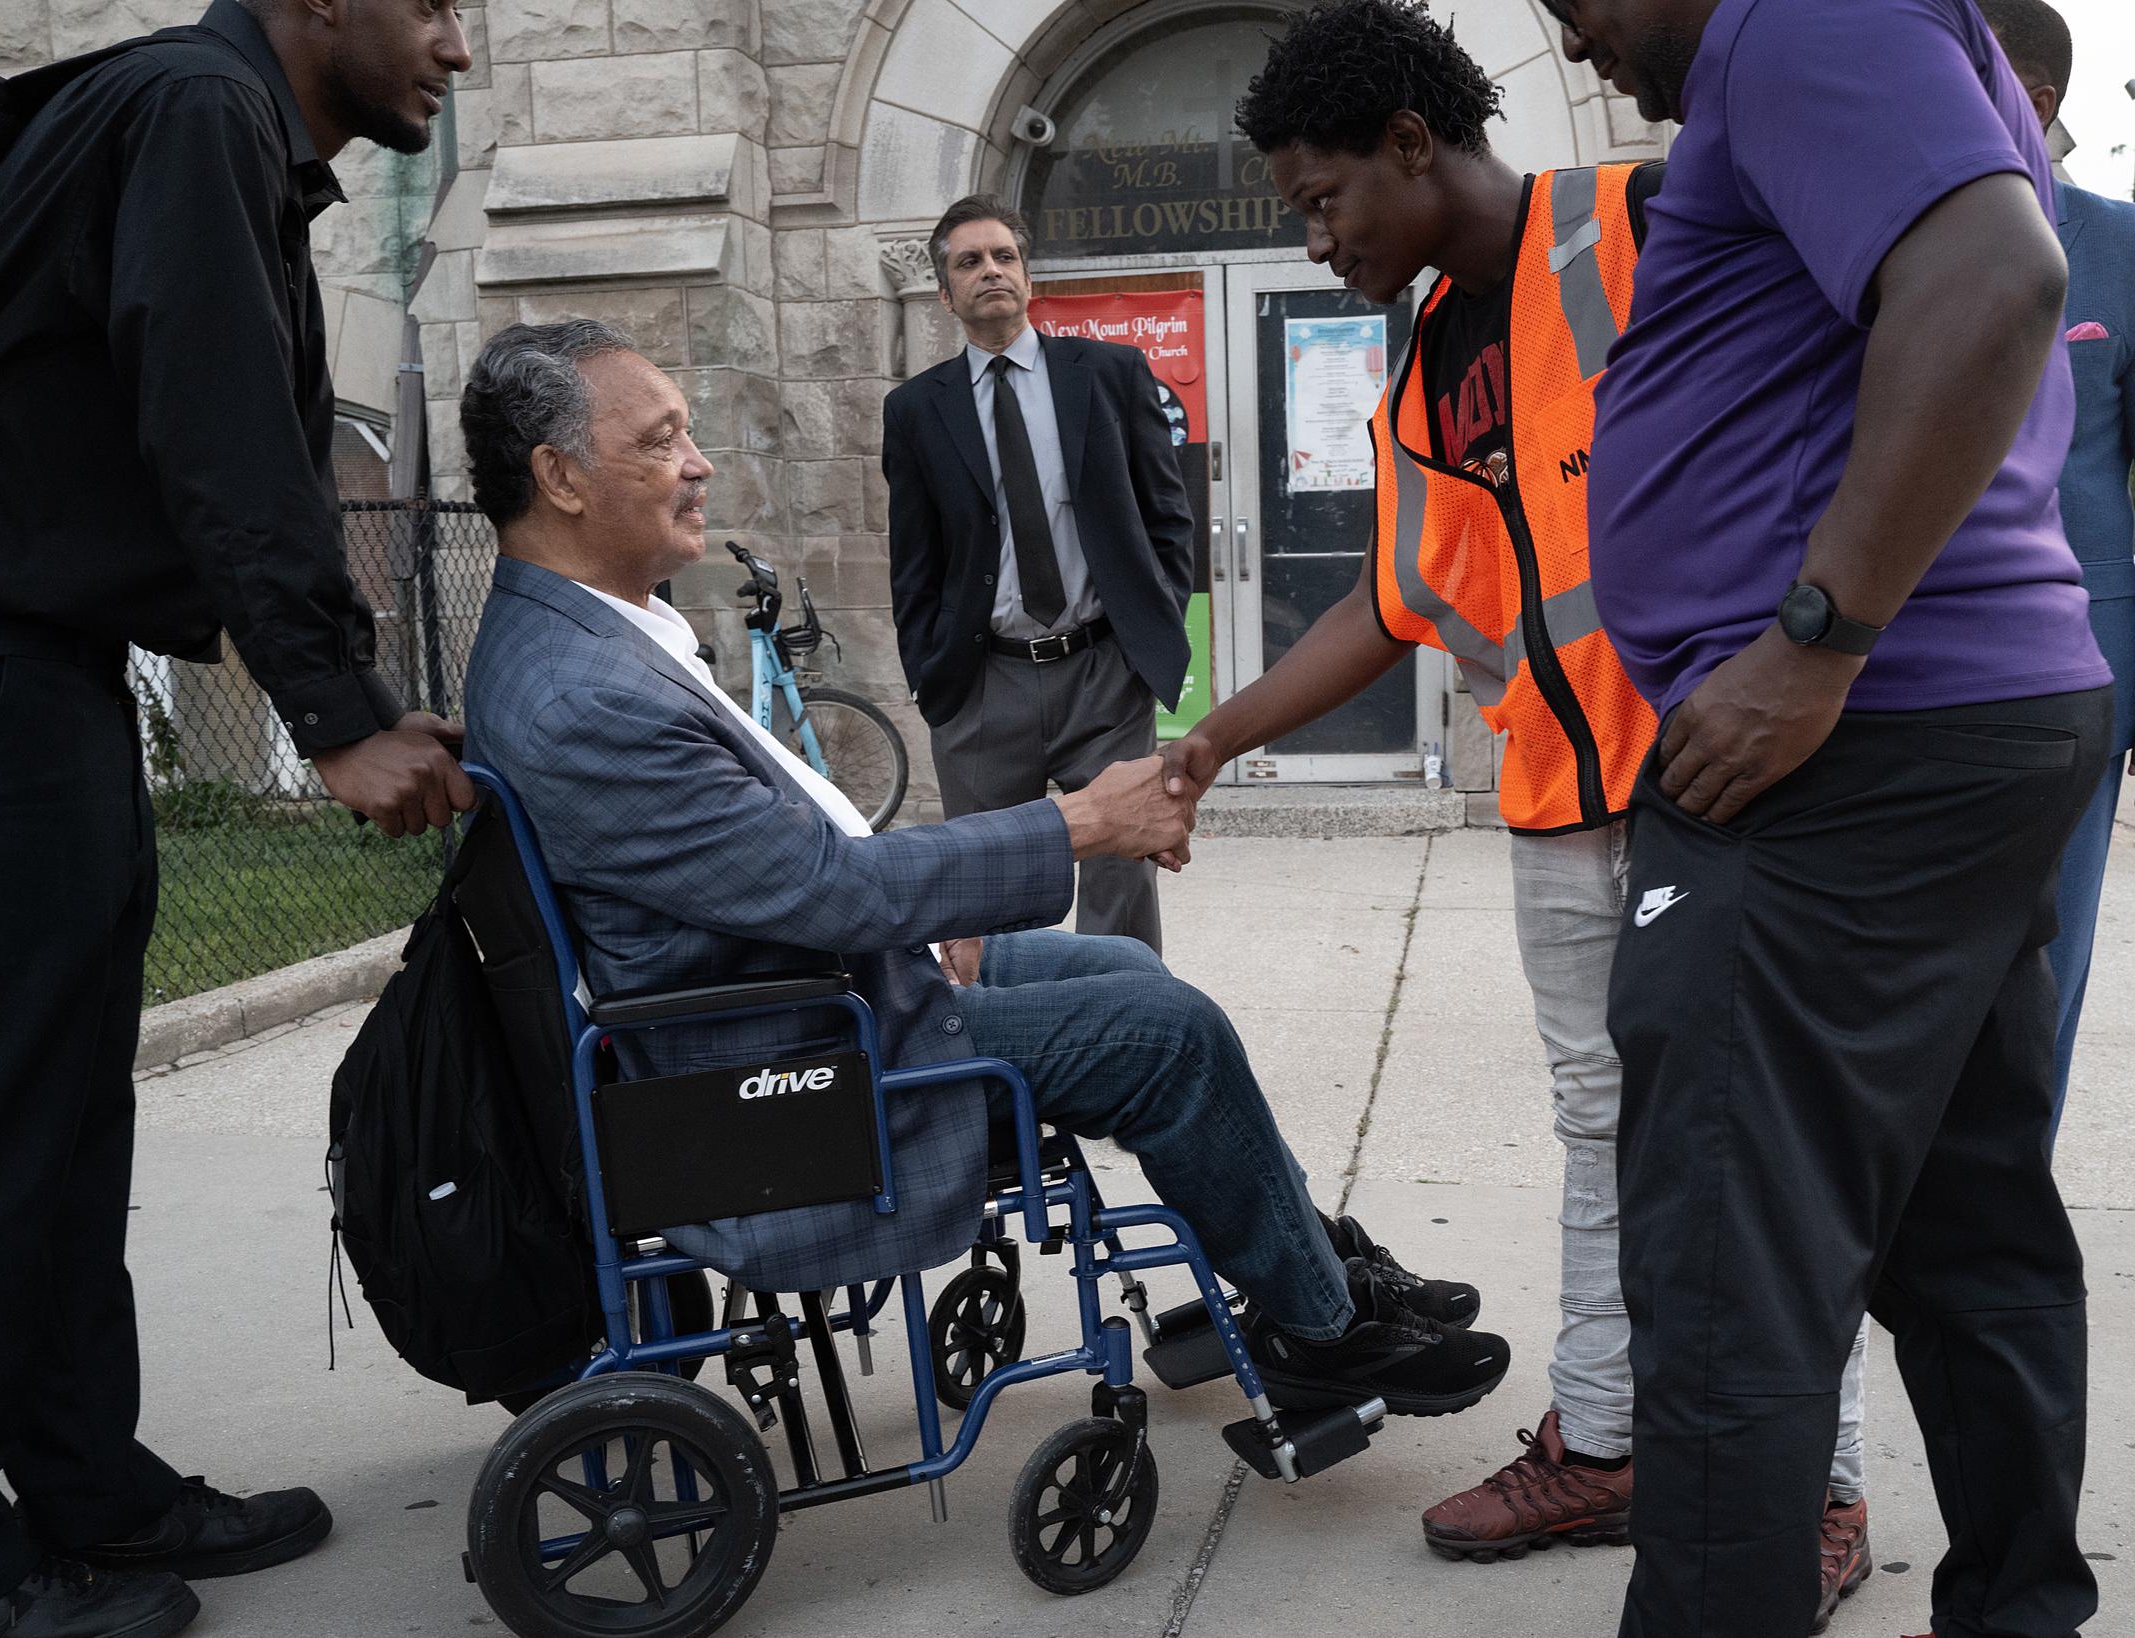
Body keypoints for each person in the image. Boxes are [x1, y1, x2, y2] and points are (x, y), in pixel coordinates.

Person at [457, 317, 1515, 1425]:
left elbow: (780, 868)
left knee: (1129, 972)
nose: (699, 461)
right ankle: (1321, 1329)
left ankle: (1311, 1266)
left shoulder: (591, 628)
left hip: (817, 977)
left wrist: (927, 912)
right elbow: (823, 889)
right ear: (560, 478)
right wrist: (1073, 825)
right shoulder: (585, 695)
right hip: (788, 1059)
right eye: (663, 440)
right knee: (1170, 1039)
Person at [0, 0, 479, 1633]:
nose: (455, 43)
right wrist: (338, 718)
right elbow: (217, 421)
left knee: (56, 1124)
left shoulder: (199, 120)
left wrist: (358, 702)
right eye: (434, 2)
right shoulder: (193, 111)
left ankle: (89, 1486)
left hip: (16, 678)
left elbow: (205, 435)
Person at [1185, 4, 1873, 1617]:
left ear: (1414, 145)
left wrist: (1820, 651)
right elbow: (1398, 597)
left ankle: (1805, 1485)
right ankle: (1618, 1435)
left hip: (1727, 784)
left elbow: (1869, 388)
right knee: (1598, 1134)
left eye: (1321, 196)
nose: (1315, 234)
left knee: (1756, 1153)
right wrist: (1208, 743)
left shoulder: (1651, 224)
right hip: (1561, 809)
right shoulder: (1425, 357)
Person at [1541, 1, 2111, 1634]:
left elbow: (2000, 282)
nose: (1578, 43)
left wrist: (1813, 643)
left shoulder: (1800, 15)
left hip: (1843, 755)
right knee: (1968, 1222)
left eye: (1574, 1)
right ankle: (2019, 1606)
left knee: (1728, 1275)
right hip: (1963, 724)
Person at [882, 195, 1195, 953]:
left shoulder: (1111, 374)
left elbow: (1167, 518)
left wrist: (1145, 635)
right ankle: (1010, 1047)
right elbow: (913, 563)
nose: (990, 271)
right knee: (985, 892)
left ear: (1027, 276)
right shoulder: (917, 410)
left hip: (1102, 673)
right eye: (969, 262)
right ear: (945, 293)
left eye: (1004, 256)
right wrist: (934, 678)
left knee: (1123, 877)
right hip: (985, 685)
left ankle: (1127, 1028)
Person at [1979, 0, 2135, 1151]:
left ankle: (2005, 1217)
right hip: (1895, 663)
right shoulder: (1877, 232)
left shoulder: (2120, 250)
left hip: (2084, 673)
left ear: (2029, 100)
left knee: (2047, 966)